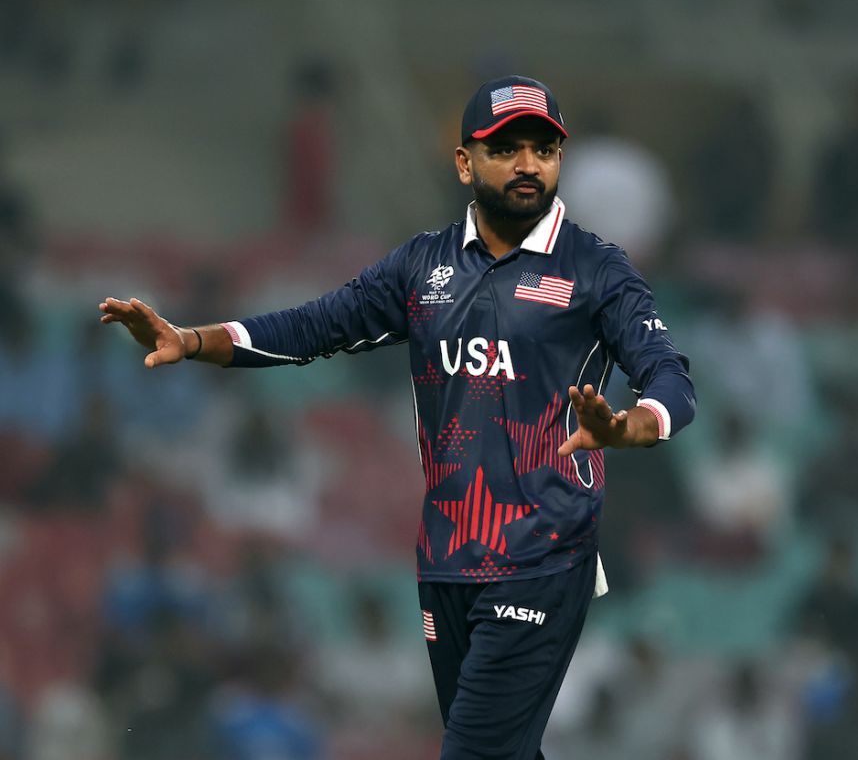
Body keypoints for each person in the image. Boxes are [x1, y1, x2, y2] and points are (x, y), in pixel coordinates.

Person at [99, 74, 696, 759]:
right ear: (466, 163)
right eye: (507, 148)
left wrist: (633, 424)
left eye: (543, 147)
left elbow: (669, 376)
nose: (529, 163)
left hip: (543, 555)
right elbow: (311, 327)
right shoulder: (424, 267)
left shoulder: (596, 270)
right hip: (447, 557)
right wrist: (192, 340)